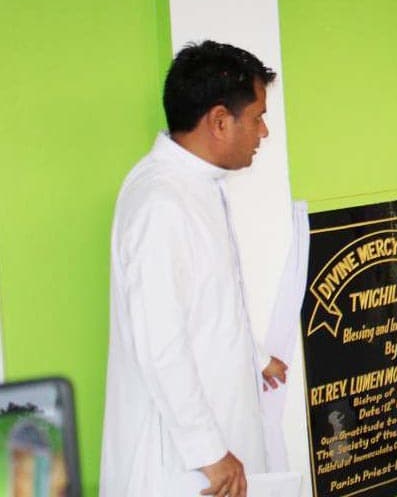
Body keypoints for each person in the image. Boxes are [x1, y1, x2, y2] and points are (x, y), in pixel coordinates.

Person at [101, 41, 288, 497]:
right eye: (258, 117)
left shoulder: (195, 183)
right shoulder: (161, 202)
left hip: (219, 427)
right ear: (220, 121)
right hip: (180, 463)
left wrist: (255, 356)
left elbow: (211, 296)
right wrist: (209, 453)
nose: (263, 132)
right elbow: (160, 342)